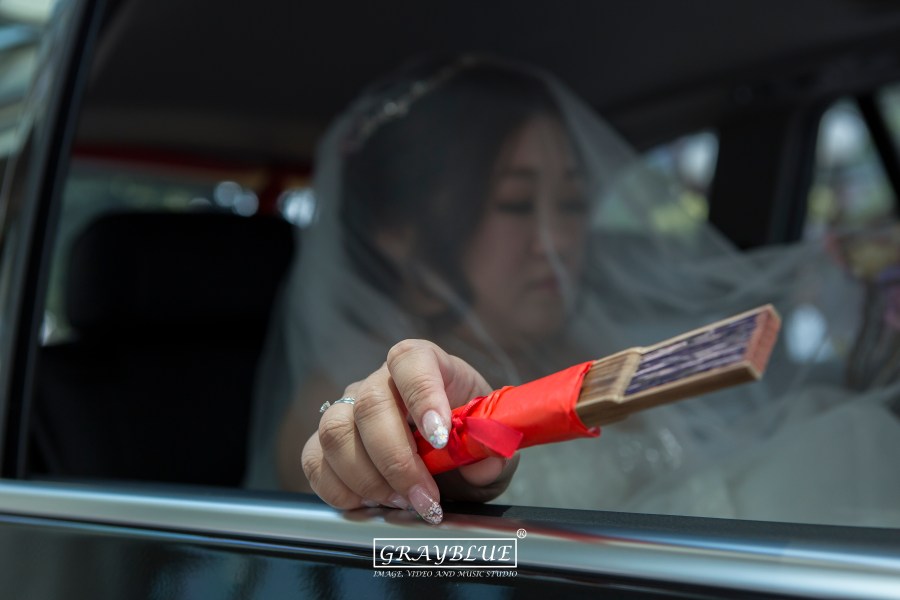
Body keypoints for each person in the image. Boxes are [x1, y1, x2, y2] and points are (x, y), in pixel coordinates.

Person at [246, 55, 900, 526]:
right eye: (514, 203)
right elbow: (406, 538)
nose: (556, 240)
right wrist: (418, 446)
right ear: (399, 233)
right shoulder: (344, 393)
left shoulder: (595, 344)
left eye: (572, 203)